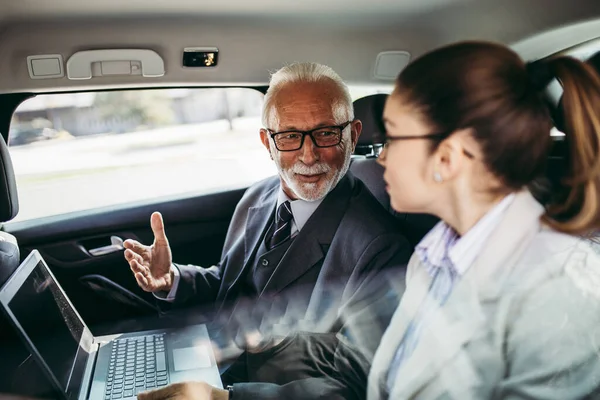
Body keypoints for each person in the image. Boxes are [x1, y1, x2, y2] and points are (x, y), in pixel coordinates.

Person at [125, 62, 412, 398]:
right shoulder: (256, 198)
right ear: (267, 142)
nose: (308, 154)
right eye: (290, 136)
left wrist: (226, 398)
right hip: (211, 365)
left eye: (326, 133)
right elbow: (226, 285)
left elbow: (354, 388)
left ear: (353, 134)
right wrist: (172, 280)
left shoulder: (379, 248)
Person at [366, 41, 600, 399]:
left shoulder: (560, 286)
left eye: (392, 136)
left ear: (448, 157)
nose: (380, 156)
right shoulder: (430, 258)